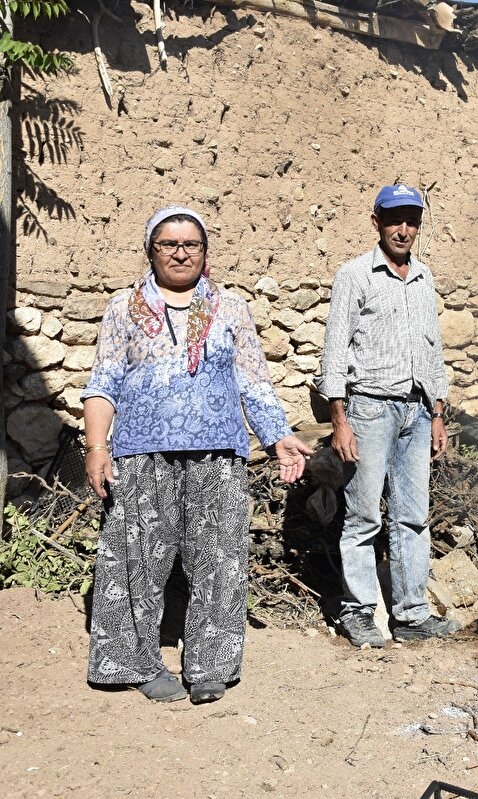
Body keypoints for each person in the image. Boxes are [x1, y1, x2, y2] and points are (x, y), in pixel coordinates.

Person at [83, 206, 312, 704]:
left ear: (205, 252)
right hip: (142, 454)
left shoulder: (230, 309)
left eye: (192, 244)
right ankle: (133, 663)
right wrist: (97, 447)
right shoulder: (124, 308)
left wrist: (278, 436)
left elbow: (253, 381)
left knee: (219, 560)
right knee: (136, 561)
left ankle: (211, 664)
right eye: (169, 243)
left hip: (217, 456)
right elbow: (103, 383)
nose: (181, 253)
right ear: (151, 250)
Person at [319, 184, 459, 648]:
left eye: (412, 221)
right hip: (370, 410)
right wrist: (340, 420)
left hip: (417, 412)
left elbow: (432, 347)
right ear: (376, 222)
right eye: (394, 219)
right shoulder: (355, 275)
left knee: (413, 517)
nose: (403, 230)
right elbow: (335, 349)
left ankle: (411, 614)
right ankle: (358, 612)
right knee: (363, 517)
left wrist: (437, 411)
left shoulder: (423, 277)